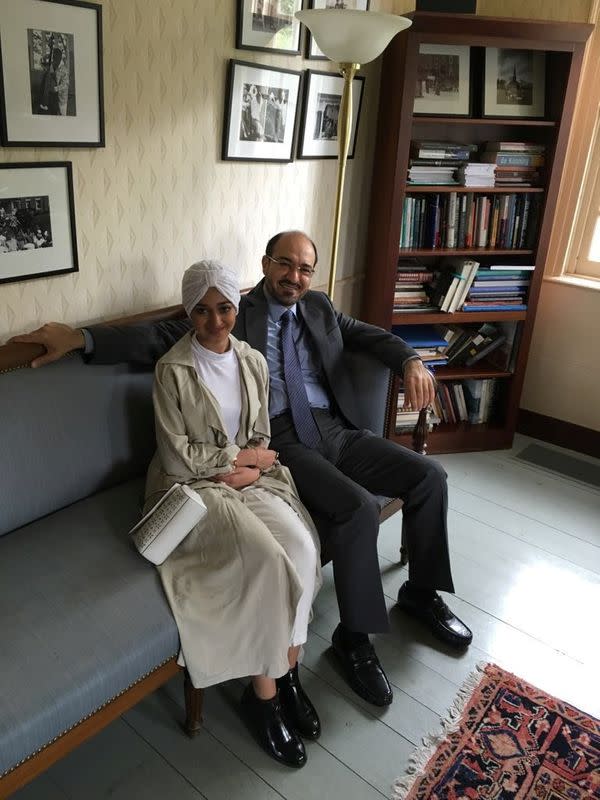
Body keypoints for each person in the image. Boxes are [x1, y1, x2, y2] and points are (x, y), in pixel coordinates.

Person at [8, 230, 473, 708]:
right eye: (285, 264)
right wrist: (80, 338)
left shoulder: (318, 307)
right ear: (266, 264)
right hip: (282, 441)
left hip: (335, 429)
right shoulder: (232, 312)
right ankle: (354, 641)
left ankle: (421, 592)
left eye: (305, 268)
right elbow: (153, 336)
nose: (295, 276)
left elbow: (366, 336)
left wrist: (412, 359)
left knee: (428, 476)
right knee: (354, 509)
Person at [145, 259, 322, 768]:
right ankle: (264, 696)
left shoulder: (251, 361)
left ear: (237, 306)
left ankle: (288, 672)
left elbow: (260, 433)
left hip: (249, 476)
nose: (215, 321)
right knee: (265, 558)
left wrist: (249, 466)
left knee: (303, 546)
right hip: (193, 487)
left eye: (224, 308)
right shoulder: (171, 370)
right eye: (201, 311)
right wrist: (236, 463)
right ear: (188, 312)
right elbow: (177, 455)